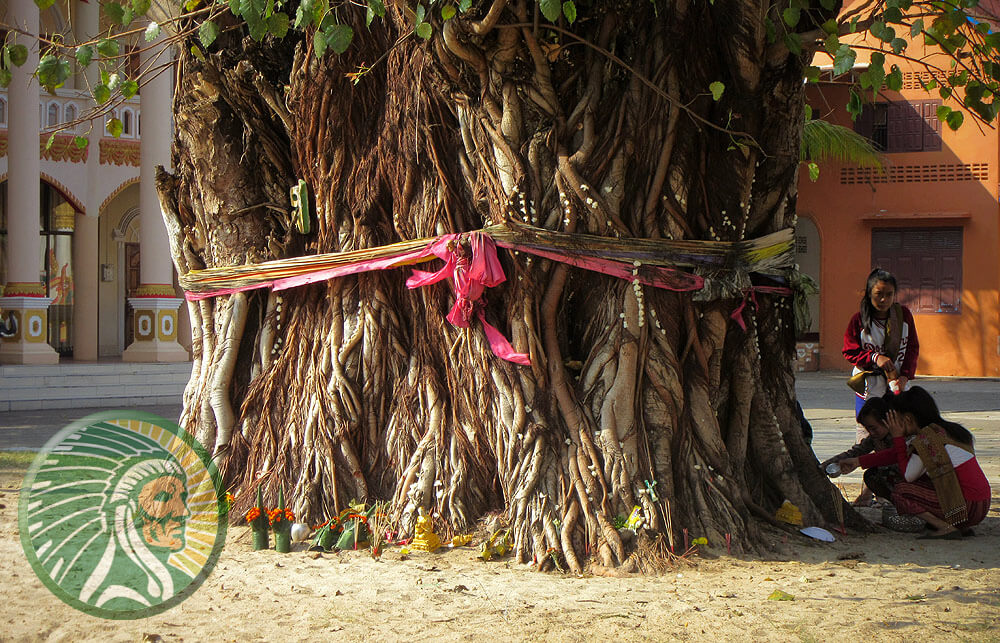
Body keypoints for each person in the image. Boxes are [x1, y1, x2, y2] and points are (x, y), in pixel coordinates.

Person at [838, 387, 991, 540]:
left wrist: (897, 438)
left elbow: (908, 476)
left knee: (901, 490)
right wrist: (858, 461)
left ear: (908, 419)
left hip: (968, 507)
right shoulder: (947, 431)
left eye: (895, 420)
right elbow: (897, 455)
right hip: (981, 505)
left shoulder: (926, 440)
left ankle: (945, 527)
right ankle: (957, 525)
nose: (893, 425)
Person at [842, 268, 918, 504]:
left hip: (895, 386)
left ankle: (888, 487)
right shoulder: (859, 319)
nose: (883, 300)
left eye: (889, 294)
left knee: (895, 435)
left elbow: (912, 347)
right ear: (868, 294)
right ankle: (867, 490)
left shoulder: (903, 316)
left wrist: (904, 376)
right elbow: (849, 350)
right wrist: (875, 358)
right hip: (868, 385)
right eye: (878, 294)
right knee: (868, 434)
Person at [822, 397, 899, 504]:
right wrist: (826, 465)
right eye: (868, 429)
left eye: (874, 428)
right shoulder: (875, 438)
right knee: (871, 475)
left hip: (906, 479)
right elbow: (855, 452)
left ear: (886, 421)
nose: (871, 433)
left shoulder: (899, 438)